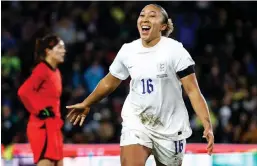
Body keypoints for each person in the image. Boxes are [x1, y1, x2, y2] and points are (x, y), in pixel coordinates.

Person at [66, 4, 214, 166]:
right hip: (137, 122)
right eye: (142, 15)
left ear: (163, 26)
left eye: (152, 15)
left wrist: (207, 124)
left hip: (170, 128)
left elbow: (193, 91)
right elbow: (109, 82)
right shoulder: (128, 51)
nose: (145, 18)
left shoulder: (175, 51)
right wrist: (87, 103)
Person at [18, 34, 66, 166]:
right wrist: (40, 110)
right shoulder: (42, 69)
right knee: (46, 162)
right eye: (60, 47)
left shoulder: (56, 72)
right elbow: (23, 91)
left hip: (54, 126)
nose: (64, 51)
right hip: (42, 126)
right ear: (48, 51)